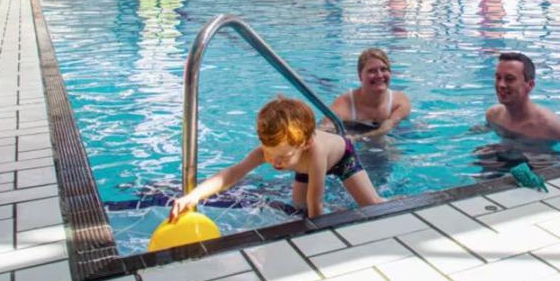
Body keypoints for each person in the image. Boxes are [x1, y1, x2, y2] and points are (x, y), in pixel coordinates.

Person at [169, 96, 382, 220]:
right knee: (299, 208)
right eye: (269, 154)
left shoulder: (315, 153)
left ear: (305, 144)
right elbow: (232, 174)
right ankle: (341, 210)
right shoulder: (275, 150)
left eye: (282, 157)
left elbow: (316, 205)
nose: (274, 162)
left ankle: (401, 203)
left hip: (342, 157)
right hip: (302, 163)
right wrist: (193, 196)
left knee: (372, 205)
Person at [486, 52, 560, 153]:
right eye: (498, 78)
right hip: (509, 154)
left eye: (509, 79)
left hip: (540, 163)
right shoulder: (493, 115)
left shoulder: (549, 125)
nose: (501, 85)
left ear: (529, 85)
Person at [323, 48, 411, 139]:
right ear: (360, 76)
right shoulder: (344, 105)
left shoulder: (399, 102)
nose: (379, 75)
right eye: (372, 71)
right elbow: (323, 133)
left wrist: (357, 138)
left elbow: (386, 129)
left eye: (384, 69)